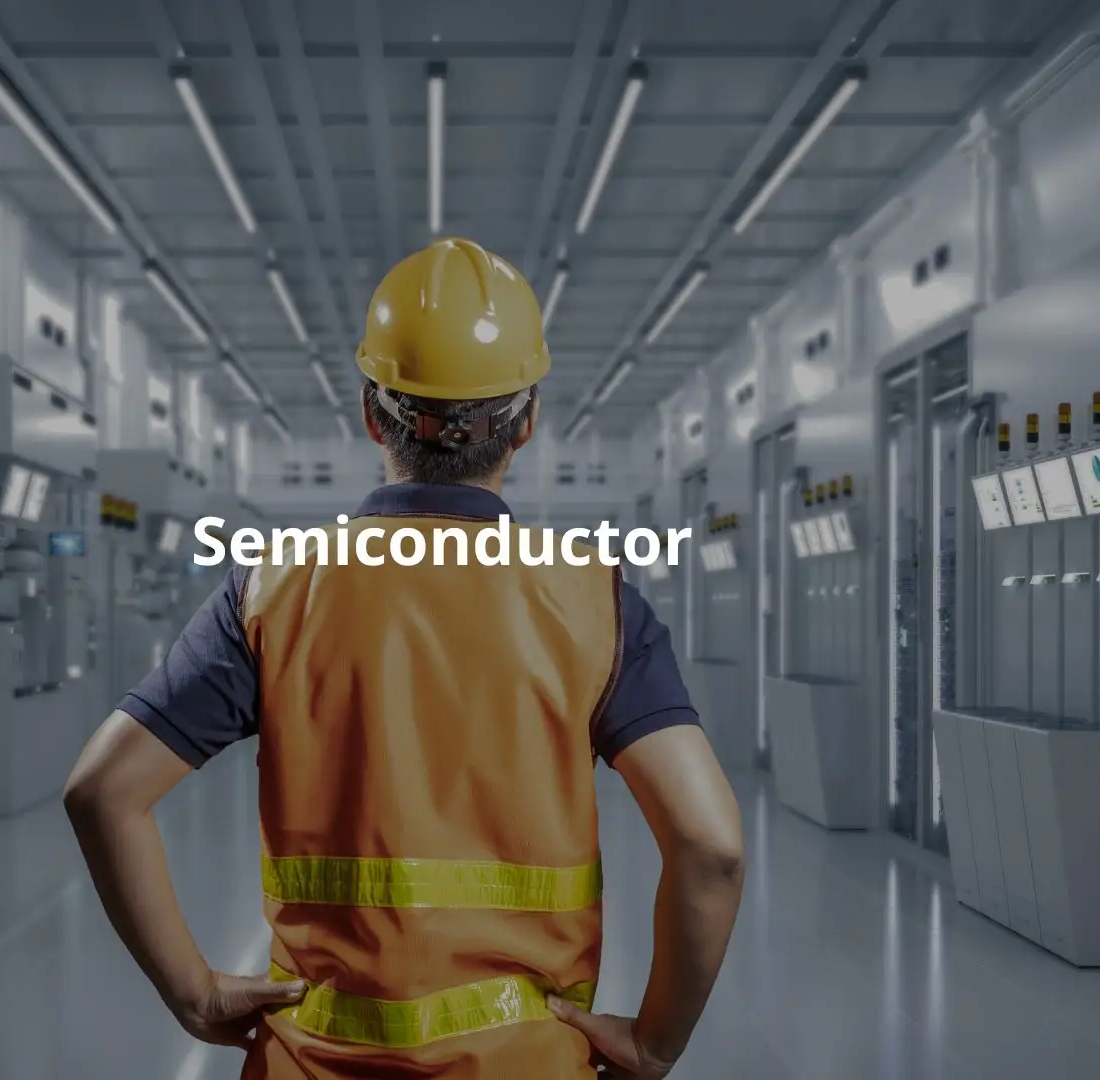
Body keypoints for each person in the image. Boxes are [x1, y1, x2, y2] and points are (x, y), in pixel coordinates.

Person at [64, 238, 746, 1079]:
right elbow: (710, 846)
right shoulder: (593, 598)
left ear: (368, 412)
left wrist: (196, 994)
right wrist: (653, 1041)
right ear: (527, 422)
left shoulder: (274, 591)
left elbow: (101, 792)